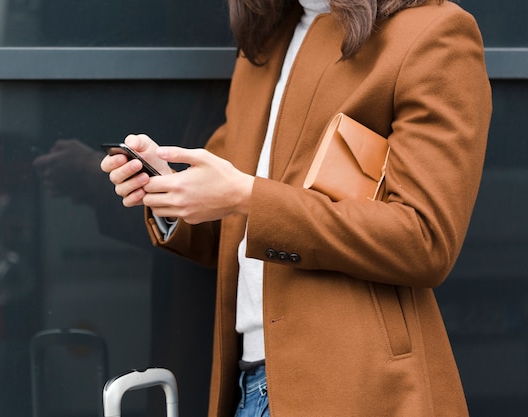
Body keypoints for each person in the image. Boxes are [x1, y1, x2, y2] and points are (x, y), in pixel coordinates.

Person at [100, 0, 492, 416]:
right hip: (248, 384)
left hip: (359, 388)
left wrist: (247, 196)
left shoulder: (434, 31)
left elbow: (424, 239)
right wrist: (168, 190)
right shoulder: (265, 43)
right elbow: (234, 218)